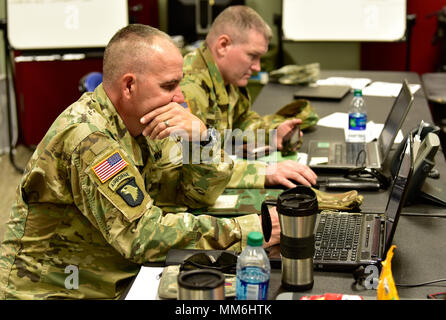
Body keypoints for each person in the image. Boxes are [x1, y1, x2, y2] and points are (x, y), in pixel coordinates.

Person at [0, 24, 279, 300]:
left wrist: (203, 139)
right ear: (130, 85)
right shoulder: (88, 138)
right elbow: (142, 237)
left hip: (115, 274)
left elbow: (196, 194)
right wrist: (253, 229)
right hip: (59, 291)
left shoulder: (145, 121)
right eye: (169, 85)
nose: (180, 97)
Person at [181, 5, 318, 189]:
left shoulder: (227, 77)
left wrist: (271, 136)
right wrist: (265, 172)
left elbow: (239, 121)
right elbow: (194, 166)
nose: (257, 68)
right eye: (252, 56)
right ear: (223, 46)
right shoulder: (190, 88)